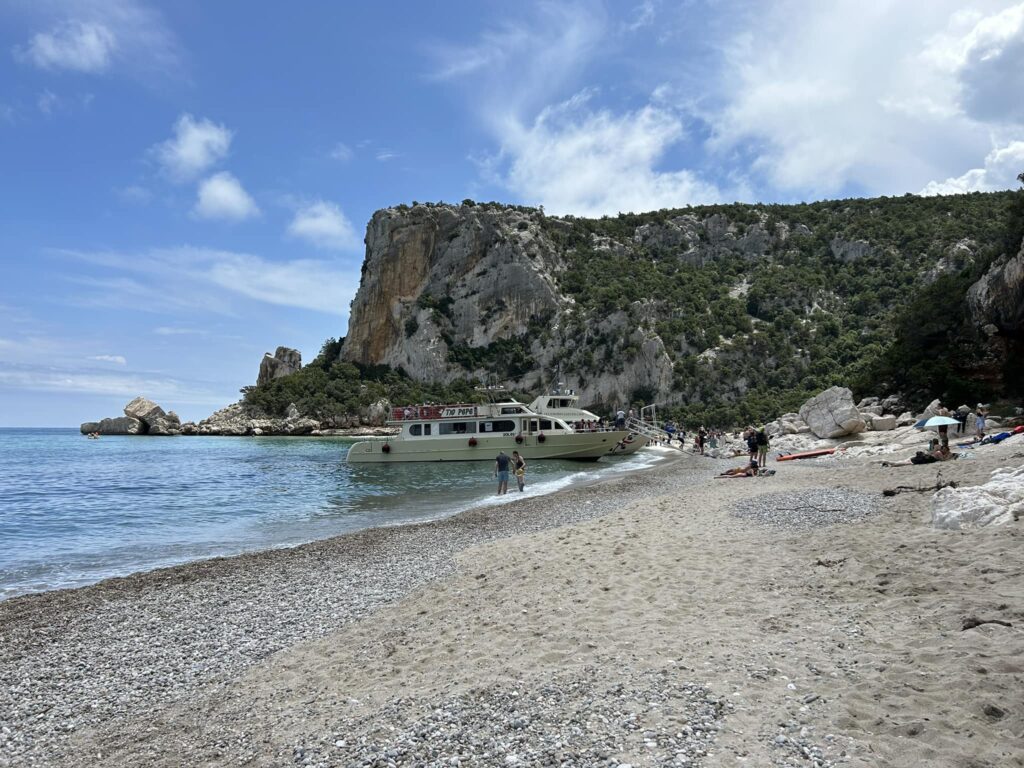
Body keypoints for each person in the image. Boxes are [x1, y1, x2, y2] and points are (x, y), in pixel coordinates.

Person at [882, 445, 955, 467]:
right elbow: (943, 460)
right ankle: (887, 462)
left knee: (902, 463)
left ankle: (888, 464)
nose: (945, 450)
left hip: (922, 459)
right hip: (921, 460)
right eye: (944, 449)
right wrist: (949, 455)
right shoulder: (939, 452)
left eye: (946, 449)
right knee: (903, 463)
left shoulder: (939, 452)